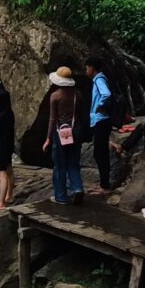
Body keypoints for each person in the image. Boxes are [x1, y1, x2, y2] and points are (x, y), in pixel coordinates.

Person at [44, 67, 85, 205]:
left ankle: (61, 196)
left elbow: (52, 119)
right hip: (76, 129)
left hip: (61, 131)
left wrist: (48, 138)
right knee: (73, 163)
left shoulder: (55, 96)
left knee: (60, 164)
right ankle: (77, 188)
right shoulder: (78, 95)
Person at [86, 57, 113, 195]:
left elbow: (106, 94)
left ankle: (105, 186)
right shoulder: (99, 79)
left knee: (100, 153)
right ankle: (104, 183)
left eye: (87, 68)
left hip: (101, 120)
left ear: (92, 68)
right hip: (100, 120)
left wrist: (98, 106)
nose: (86, 71)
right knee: (101, 153)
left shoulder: (99, 80)